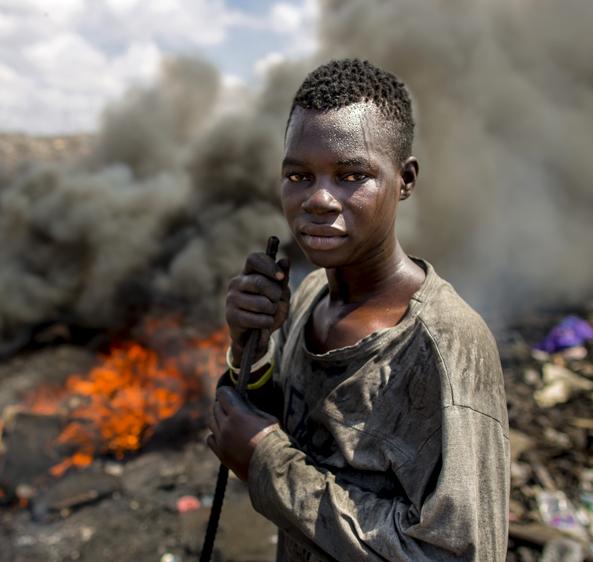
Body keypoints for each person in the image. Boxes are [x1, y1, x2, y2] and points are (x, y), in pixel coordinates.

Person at [207, 59, 510, 561]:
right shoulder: (307, 299)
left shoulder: (446, 345)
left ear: (405, 179)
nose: (319, 199)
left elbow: (456, 553)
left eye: (352, 175)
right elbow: (286, 421)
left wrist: (266, 462)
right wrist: (248, 349)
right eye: (299, 175)